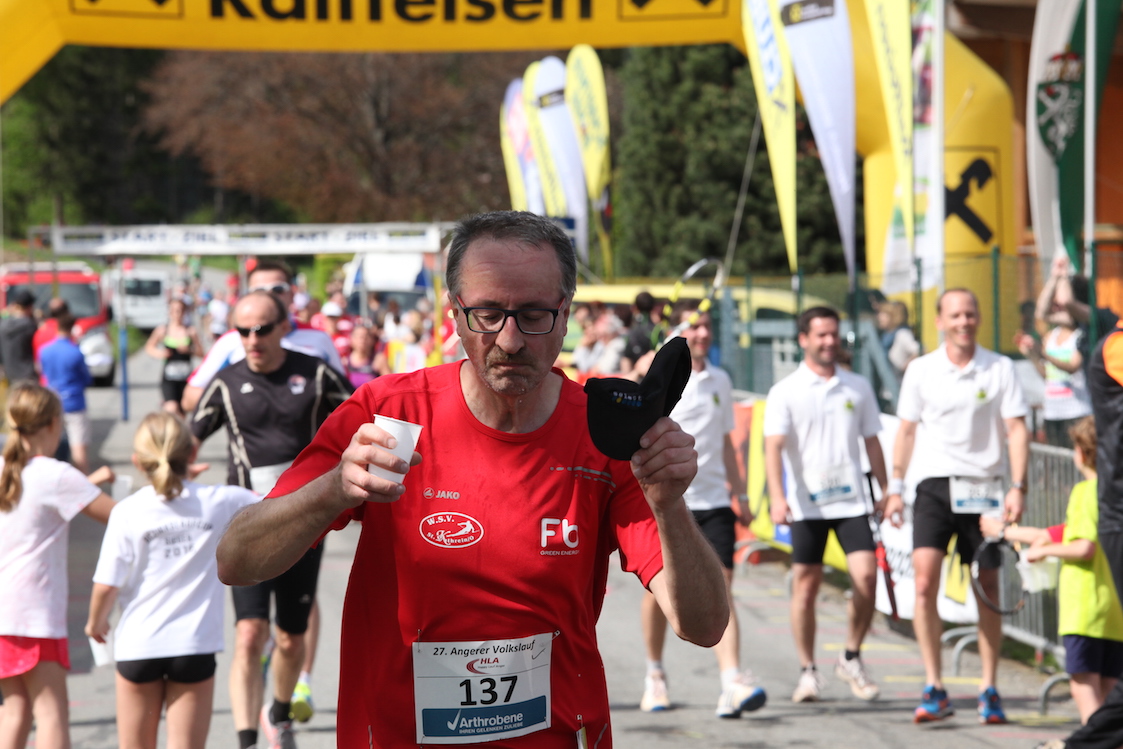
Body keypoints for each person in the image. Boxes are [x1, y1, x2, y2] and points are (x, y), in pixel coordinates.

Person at [214, 210, 729, 747]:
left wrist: (669, 506)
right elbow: (236, 561)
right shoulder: (389, 415)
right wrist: (331, 490)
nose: (510, 340)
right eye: (487, 314)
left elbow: (704, 625)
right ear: (455, 314)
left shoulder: (603, 434)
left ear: (566, 313)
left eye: (534, 315)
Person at [190, 290, 352, 749]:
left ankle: (279, 712)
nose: (251, 339)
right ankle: (247, 740)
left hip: (304, 519)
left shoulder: (315, 373)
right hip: (248, 524)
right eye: (242, 331)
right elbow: (188, 440)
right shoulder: (226, 381)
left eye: (261, 329)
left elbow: (366, 414)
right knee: (248, 633)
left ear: (284, 327)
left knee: (290, 638)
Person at [883, 288, 1029, 725]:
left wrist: (1017, 486)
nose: (964, 321)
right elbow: (906, 431)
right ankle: (934, 685)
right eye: (955, 315)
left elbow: (1016, 429)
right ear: (940, 321)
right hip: (933, 487)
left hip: (984, 490)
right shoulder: (921, 369)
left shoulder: (1000, 367)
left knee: (988, 589)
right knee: (924, 584)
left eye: (970, 313)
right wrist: (895, 487)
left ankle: (989, 687)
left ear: (978, 317)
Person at [85, 412, 261, 749]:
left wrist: (96, 622)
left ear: (138, 461)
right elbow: (272, 500)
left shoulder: (127, 511)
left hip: (139, 644)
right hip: (193, 644)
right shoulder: (221, 500)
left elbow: (106, 584)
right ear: (191, 453)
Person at [638, 302, 765, 718]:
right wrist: (640, 376)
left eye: (708, 326)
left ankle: (731, 682)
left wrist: (740, 493)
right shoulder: (657, 374)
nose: (704, 333)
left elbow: (727, 442)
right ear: (678, 329)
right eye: (695, 326)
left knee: (720, 589)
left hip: (713, 502)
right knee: (659, 592)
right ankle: (654, 674)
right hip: (667, 502)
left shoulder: (721, 379)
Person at [764, 306, 888, 704]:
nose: (829, 341)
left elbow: (872, 441)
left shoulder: (857, 386)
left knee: (866, 578)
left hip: (851, 503)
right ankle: (808, 671)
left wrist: (888, 489)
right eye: (821, 335)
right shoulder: (785, 391)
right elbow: (773, 447)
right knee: (806, 587)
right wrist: (778, 497)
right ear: (804, 339)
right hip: (808, 506)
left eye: (834, 334)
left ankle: (851, 656)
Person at [980, 416, 1122, 725]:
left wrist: (1041, 552)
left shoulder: (1085, 492)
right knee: (1111, 690)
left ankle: (1095, 741)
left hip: (1084, 610)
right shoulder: (1115, 495)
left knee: (1084, 684)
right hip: (1114, 612)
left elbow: (1083, 546)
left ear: (1081, 452)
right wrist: (1005, 532)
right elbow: (1059, 533)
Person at [0, 382, 115, 749]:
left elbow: (36, 505)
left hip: (4, 611)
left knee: (15, 710)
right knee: (52, 712)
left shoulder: (7, 469)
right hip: (33, 612)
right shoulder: (56, 474)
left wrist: (88, 484)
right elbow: (121, 517)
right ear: (52, 424)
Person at [180, 260, 343, 414]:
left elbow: (344, 397)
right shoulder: (232, 341)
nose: (269, 296)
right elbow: (189, 399)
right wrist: (244, 394)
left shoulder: (318, 339)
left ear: (292, 294)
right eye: (259, 291)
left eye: (278, 289)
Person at [1017, 254, 1092, 448]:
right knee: (1056, 464)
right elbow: (1047, 375)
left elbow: (1072, 366)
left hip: (1078, 413)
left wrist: (1044, 354)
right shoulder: (1051, 335)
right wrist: (1033, 355)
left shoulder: (1084, 333)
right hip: (1052, 413)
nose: (1056, 304)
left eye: (1058, 299)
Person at [38, 308, 93, 474]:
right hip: (74, 402)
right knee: (79, 449)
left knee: (49, 449)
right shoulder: (75, 352)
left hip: (52, 403)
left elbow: (43, 373)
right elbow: (86, 379)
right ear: (72, 328)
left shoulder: (44, 351)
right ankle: (83, 483)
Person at [144, 296, 204, 417]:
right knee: (172, 408)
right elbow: (149, 347)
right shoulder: (163, 330)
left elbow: (201, 353)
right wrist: (161, 353)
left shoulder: (190, 331)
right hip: (169, 378)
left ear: (184, 312)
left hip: (185, 379)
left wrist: (189, 350)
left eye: (180, 310)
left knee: (182, 415)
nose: (177, 314)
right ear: (169, 312)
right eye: (174, 310)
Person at [0, 289, 40, 385]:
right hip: (28, 375)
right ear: (30, 307)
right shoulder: (30, 326)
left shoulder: (2, 325)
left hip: (9, 374)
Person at [876, 300, 921, 379]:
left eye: (884, 314)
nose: (879, 317)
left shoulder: (902, 334)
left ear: (894, 316)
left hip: (898, 383)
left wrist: (904, 368)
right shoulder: (884, 336)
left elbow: (920, 351)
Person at [621, 291, 658, 375]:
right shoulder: (658, 330)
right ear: (653, 307)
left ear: (635, 307)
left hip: (636, 377)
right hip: (655, 377)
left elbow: (626, 359)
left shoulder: (632, 331)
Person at [346, 324, 388, 389]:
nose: (362, 341)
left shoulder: (378, 360)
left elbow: (389, 384)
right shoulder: (345, 362)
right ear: (351, 339)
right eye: (358, 337)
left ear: (372, 340)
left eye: (365, 337)